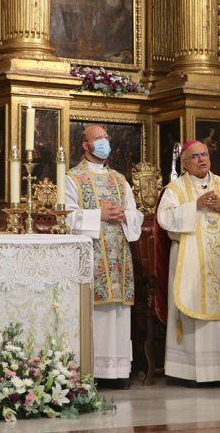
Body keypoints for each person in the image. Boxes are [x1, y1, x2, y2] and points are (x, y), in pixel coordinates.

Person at [156, 140, 220, 384]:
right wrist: (194, 206)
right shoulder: (175, 189)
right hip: (189, 265)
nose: (202, 159)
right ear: (185, 163)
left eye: (205, 155)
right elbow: (165, 219)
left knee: (218, 314)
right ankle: (188, 372)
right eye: (195, 156)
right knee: (192, 312)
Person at [65, 125, 143, 388]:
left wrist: (124, 215)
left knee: (118, 312)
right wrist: (99, 214)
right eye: (98, 139)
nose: (104, 142)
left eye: (106, 138)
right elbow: (65, 217)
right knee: (95, 313)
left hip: (119, 255)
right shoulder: (72, 178)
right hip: (92, 257)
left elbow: (136, 214)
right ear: (85, 145)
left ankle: (119, 371)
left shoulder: (120, 179)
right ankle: (94, 371)